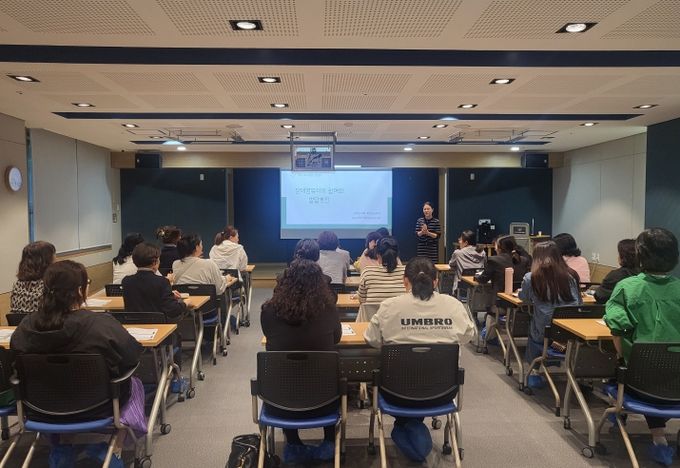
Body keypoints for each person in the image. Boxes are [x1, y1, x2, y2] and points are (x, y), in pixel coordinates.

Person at [11, 260, 144, 467]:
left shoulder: (25, 327)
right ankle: (115, 449)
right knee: (134, 383)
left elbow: (14, 361)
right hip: (99, 407)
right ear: (80, 290)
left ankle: (61, 447)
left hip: (40, 408)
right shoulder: (101, 324)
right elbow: (132, 356)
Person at [364, 257, 475, 462]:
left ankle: (407, 426)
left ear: (405, 281)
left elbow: (371, 339)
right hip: (442, 393)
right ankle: (411, 428)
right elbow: (468, 336)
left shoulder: (390, 306)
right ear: (436, 281)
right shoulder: (453, 305)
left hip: (396, 393)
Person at [604, 228, 680, 466]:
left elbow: (618, 335)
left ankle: (657, 439)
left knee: (629, 370)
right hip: (678, 382)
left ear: (640, 256)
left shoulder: (626, 288)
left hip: (640, 384)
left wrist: (623, 359)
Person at [260, 259, 341, 464]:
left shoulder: (268, 311)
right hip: (326, 402)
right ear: (319, 284)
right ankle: (330, 442)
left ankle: (293, 443)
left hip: (279, 402)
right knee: (328, 374)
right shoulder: (329, 310)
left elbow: (270, 337)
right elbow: (336, 338)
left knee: (287, 374)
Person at [519, 241, 581, 388]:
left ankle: (534, 371)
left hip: (544, 333)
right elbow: (578, 302)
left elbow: (524, 298)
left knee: (533, 324)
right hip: (570, 333)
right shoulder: (570, 276)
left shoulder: (531, 277)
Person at [475, 235, 531, 341]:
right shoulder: (524, 260)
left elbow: (483, 279)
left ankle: (489, 336)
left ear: (499, 247)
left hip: (500, 304)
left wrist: (476, 277)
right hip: (520, 303)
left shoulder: (493, 260)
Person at [122, 242, 187, 321]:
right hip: (158, 324)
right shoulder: (162, 282)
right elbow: (172, 310)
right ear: (155, 262)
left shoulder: (126, 281)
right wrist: (185, 303)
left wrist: (168, 294)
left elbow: (143, 295)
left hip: (132, 324)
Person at [357, 237, 406, 321]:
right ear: (397, 255)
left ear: (377, 255)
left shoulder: (367, 272)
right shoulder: (407, 272)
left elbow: (362, 300)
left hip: (371, 324)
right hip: (400, 324)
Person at [10, 241, 56, 314]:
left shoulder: (17, 285)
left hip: (21, 321)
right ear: (46, 261)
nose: (55, 259)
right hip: (43, 321)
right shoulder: (49, 286)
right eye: (53, 256)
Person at [594, 239, 639, 304]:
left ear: (623, 257)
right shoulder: (645, 275)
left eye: (619, 254)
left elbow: (599, 296)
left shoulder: (615, 276)